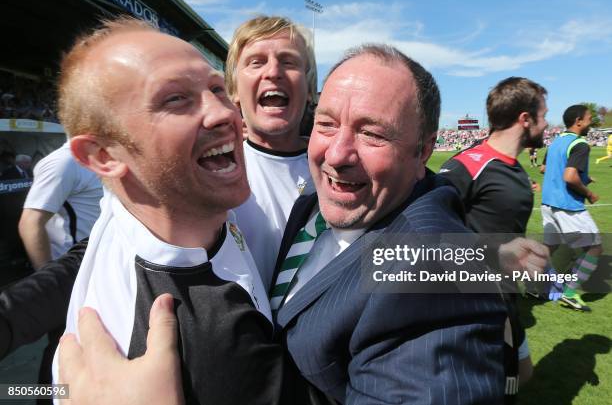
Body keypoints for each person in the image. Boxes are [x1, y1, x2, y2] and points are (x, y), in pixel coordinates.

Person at [60, 44, 551, 404]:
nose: (337, 155)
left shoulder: (430, 273)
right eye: (327, 123)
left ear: (424, 152)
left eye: (372, 133)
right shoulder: (313, 206)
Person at [47, 17, 282, 404]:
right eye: (175, 99)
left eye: (216, 88)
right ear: (104, 156)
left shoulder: (143, 205)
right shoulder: (197, 343)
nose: (225, 113)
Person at [439, 77, 548, 401]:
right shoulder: (468, 165)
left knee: (522, 375)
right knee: (495, 390)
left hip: (507, 295)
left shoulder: (514, 169)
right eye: (543, 115)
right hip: (477, 300)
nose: (546, 124)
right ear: (525, 119)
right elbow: (424, 230)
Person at [228, 15, 316, 288]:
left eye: (289, 62)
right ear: (234, 90)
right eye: (256, 62)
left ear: (310, 89)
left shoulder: (341, 172)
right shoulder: (209, 174)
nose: (273, 72)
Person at [541, 104, 602, 312]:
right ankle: (569, 292)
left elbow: (544, 168)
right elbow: (569, 176)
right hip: (568, 206)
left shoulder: (556, 142)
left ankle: (534, 286)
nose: (590, 122)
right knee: (594, 246)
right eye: (588, 119)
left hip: (547, 204)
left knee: (549, 247)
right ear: (578, 121)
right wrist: (589, 193)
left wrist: (585, 177)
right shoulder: (580, 144)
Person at [19, 143, 102, 270]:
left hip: (99, 259)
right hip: (73, 266)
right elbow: (30, 223)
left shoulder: (102, 160)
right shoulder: (64, 162)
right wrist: (47, 278)